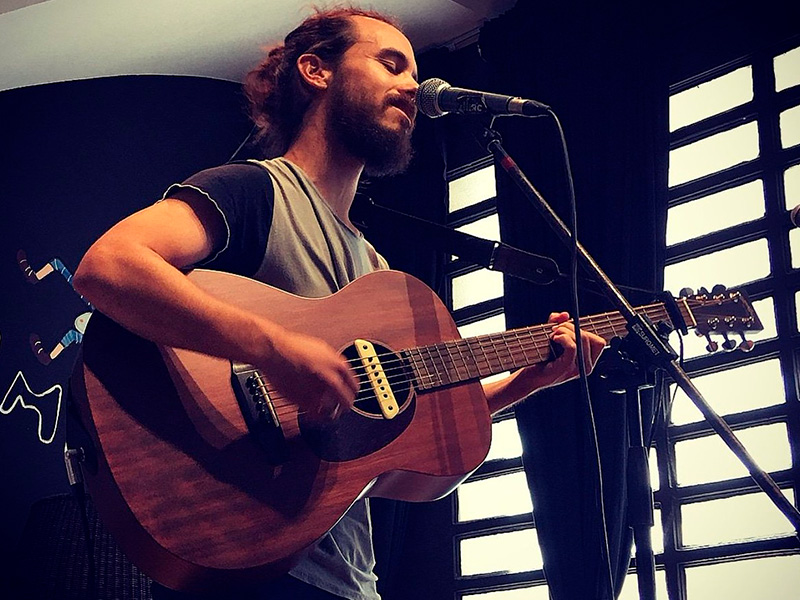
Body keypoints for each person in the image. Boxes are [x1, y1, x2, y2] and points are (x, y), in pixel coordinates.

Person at [73, 7, 606, 600]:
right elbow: (109, 266)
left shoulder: (377, 270)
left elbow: (404, 419)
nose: (411, 84)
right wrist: (272, 349)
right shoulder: (254, 191)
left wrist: (526, 382)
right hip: (247, 551)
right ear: (315, 71)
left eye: (413, 70)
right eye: (390, 63)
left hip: (346, 576)